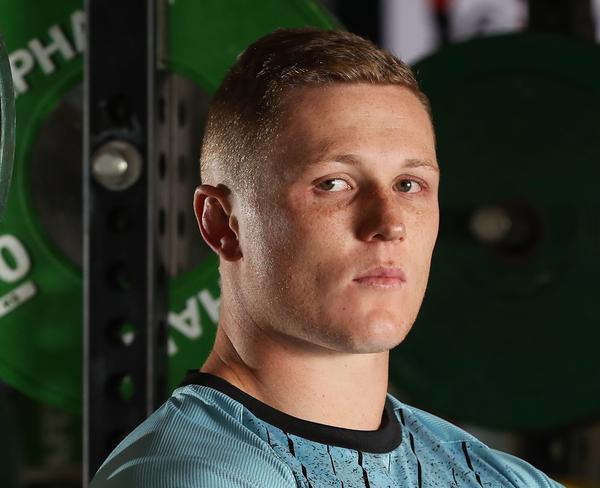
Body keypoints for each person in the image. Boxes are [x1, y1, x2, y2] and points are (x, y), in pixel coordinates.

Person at [90, 28, 563, 487]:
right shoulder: (189, 477)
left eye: (408, 185)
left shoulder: (501, 477)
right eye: (333, 184)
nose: (389, 223)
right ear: (222, 223)